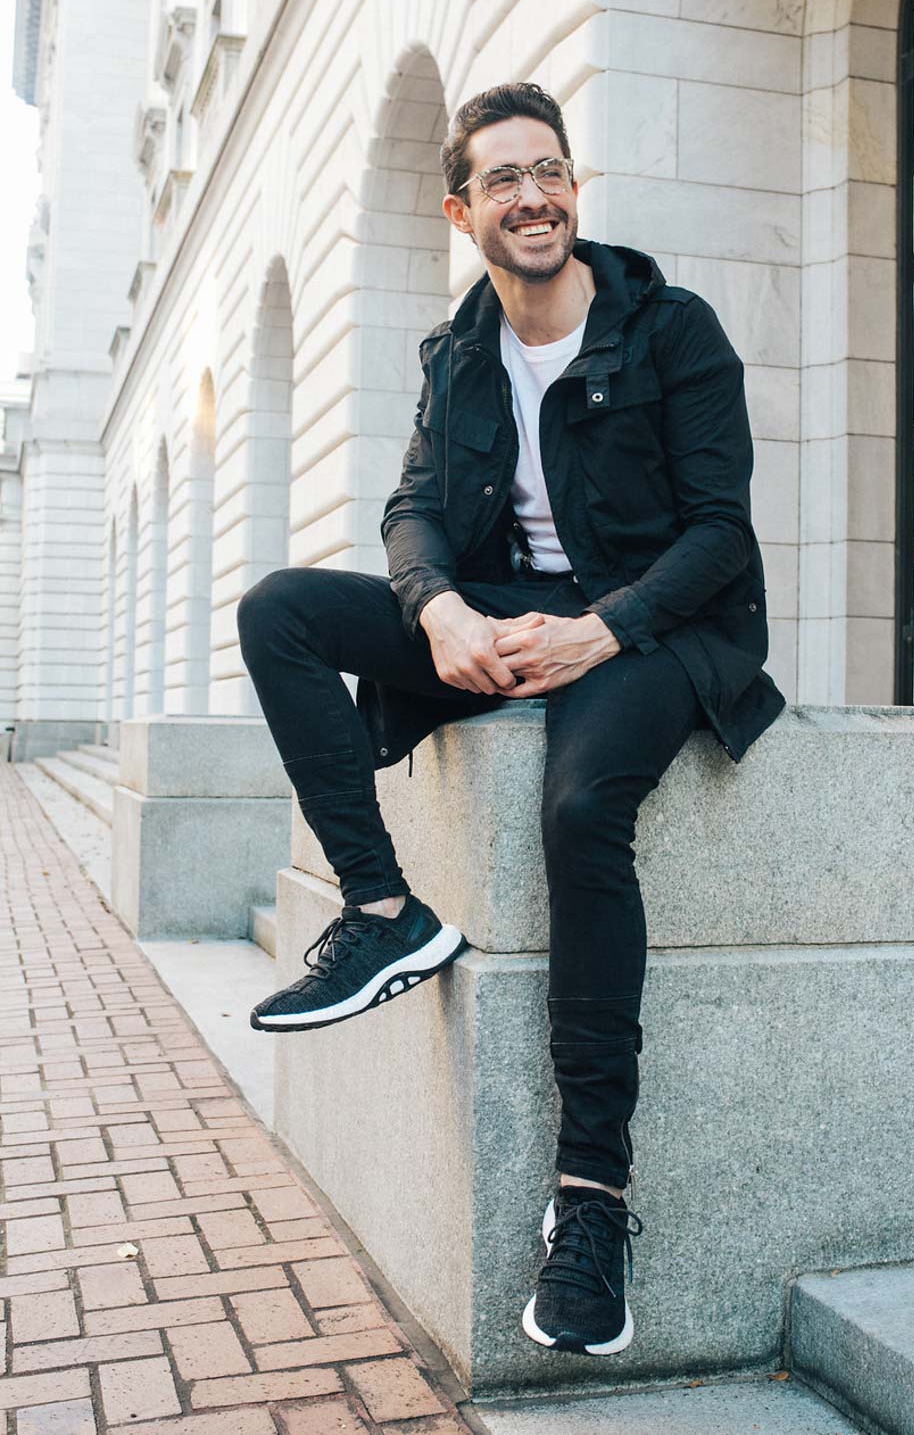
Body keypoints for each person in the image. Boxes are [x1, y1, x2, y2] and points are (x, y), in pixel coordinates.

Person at [237, 81, 785, 1356]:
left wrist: (600, 629)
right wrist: (435, 611)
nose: (533, 196)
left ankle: (592, 1198)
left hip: (651, 622)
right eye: (504, 180)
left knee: (582, 808)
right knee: (281, 611)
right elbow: (412, 509)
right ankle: (383, 914)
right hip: (504, 610)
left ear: (572, 189)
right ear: (462, 209)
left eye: (549, 172)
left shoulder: (671, 330)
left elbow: (722, 530)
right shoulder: (458, 351)